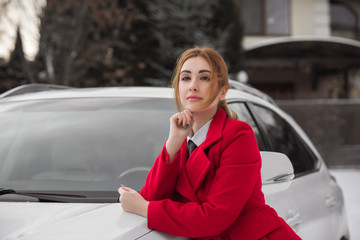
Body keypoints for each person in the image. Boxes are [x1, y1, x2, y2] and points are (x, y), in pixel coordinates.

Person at [118, 46, 302, 240]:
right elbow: (152, 197)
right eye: (186, 78)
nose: (193, 86)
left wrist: (143, 208)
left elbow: (214, 218)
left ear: (222, 91)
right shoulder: (181, 141)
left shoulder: (238, 135)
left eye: (204, 78)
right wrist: (172, 144)